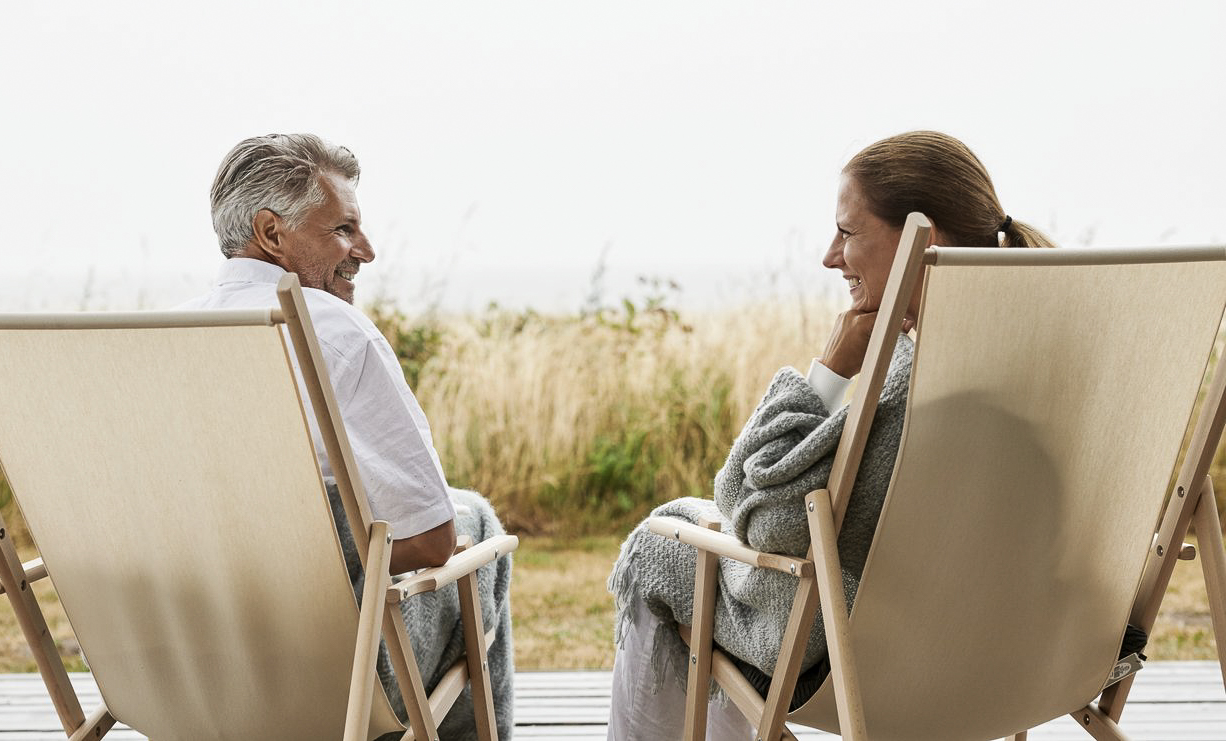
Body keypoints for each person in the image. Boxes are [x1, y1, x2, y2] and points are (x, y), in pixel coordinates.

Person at [606, 131, 1052, 740]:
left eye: (847, 232)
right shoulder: (1043, 369)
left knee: (662, 543)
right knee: (688, 528)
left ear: (927, 239)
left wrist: (830, 369)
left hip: (878, 659)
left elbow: (763, 521)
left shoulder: (915, 385)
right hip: (1026, 652)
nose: (829, 257)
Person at [180, 133, 513, 741]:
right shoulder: (333, 331)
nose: (366, 250)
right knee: (474, 524)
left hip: (184, 677)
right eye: (343, 230)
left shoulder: (168, 337)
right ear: (272, 233)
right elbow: (434, 541)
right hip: (337, 681)